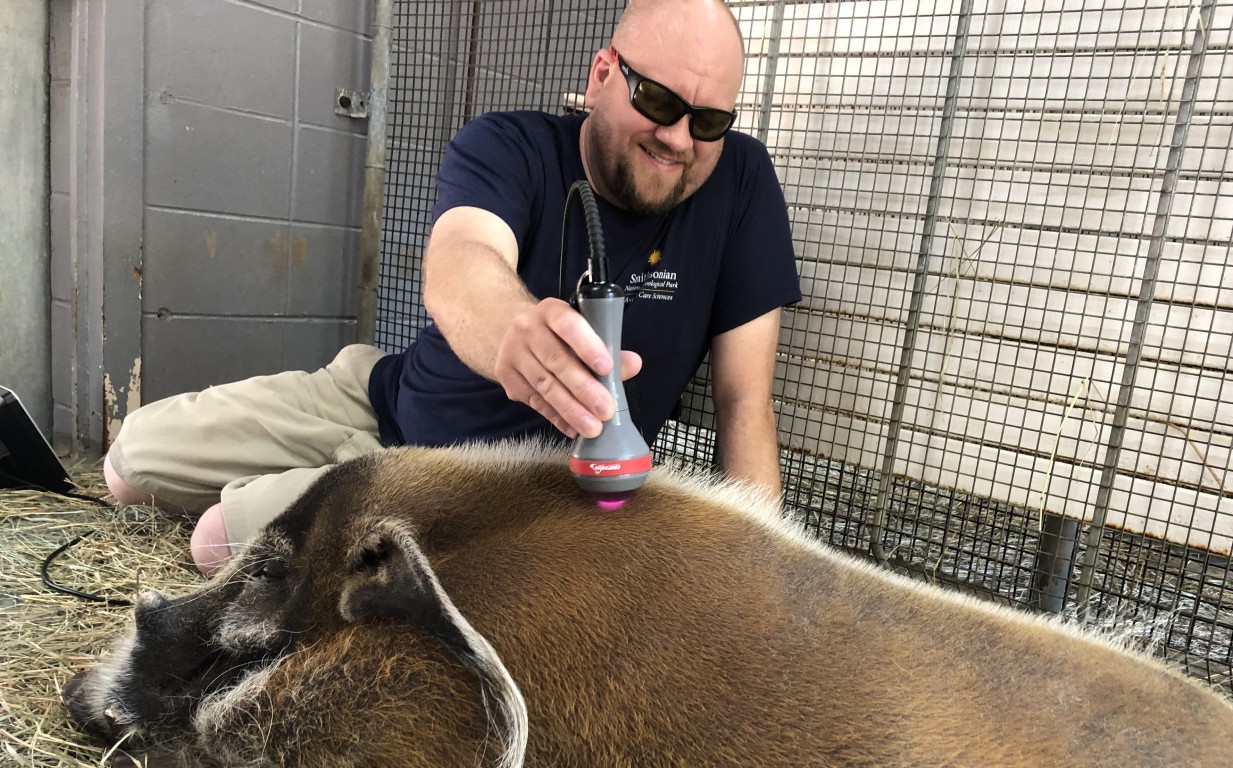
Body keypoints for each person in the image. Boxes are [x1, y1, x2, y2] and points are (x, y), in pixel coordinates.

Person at [103, 0, 802, 575]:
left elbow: (746, 402)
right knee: (127, 468)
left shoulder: (740, 184)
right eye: (657, 100)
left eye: (708, 120)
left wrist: (762, 577)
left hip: (474, 479)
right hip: (385, 392)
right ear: (602, 76)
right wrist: (514, 332)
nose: (679, 138)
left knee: (218, 542)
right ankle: (296, 477)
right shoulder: (509, 144)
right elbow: (460, 261)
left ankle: (287, 499)